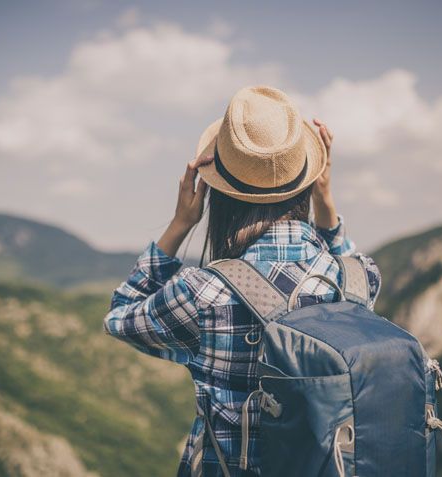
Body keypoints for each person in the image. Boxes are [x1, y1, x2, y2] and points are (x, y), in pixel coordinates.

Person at [103, 86, 381, 476]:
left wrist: (180, 224)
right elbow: (345, 259)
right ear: (307, 180)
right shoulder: (358, 278)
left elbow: (119, 317)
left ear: (221, 193)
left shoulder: (204, 292)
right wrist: (326, 198)